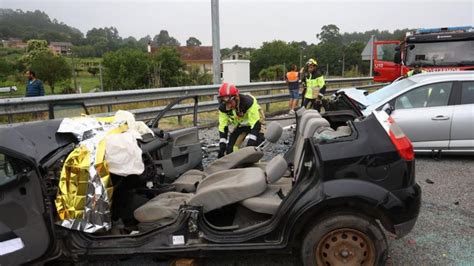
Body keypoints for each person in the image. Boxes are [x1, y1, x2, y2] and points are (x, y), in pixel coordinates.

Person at [217, 82, 265, 158]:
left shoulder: (248, 102)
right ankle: (236, 165)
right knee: (230, 149)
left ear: (236, 98)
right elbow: (223, 127)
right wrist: (222, 146)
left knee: (255, 148)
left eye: (229, 102)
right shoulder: (223, 108)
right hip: (241, 124)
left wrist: (251, 144)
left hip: (256, 122)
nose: (227, 106)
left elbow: (255, 124)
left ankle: (255, 166)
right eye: (224, 102)